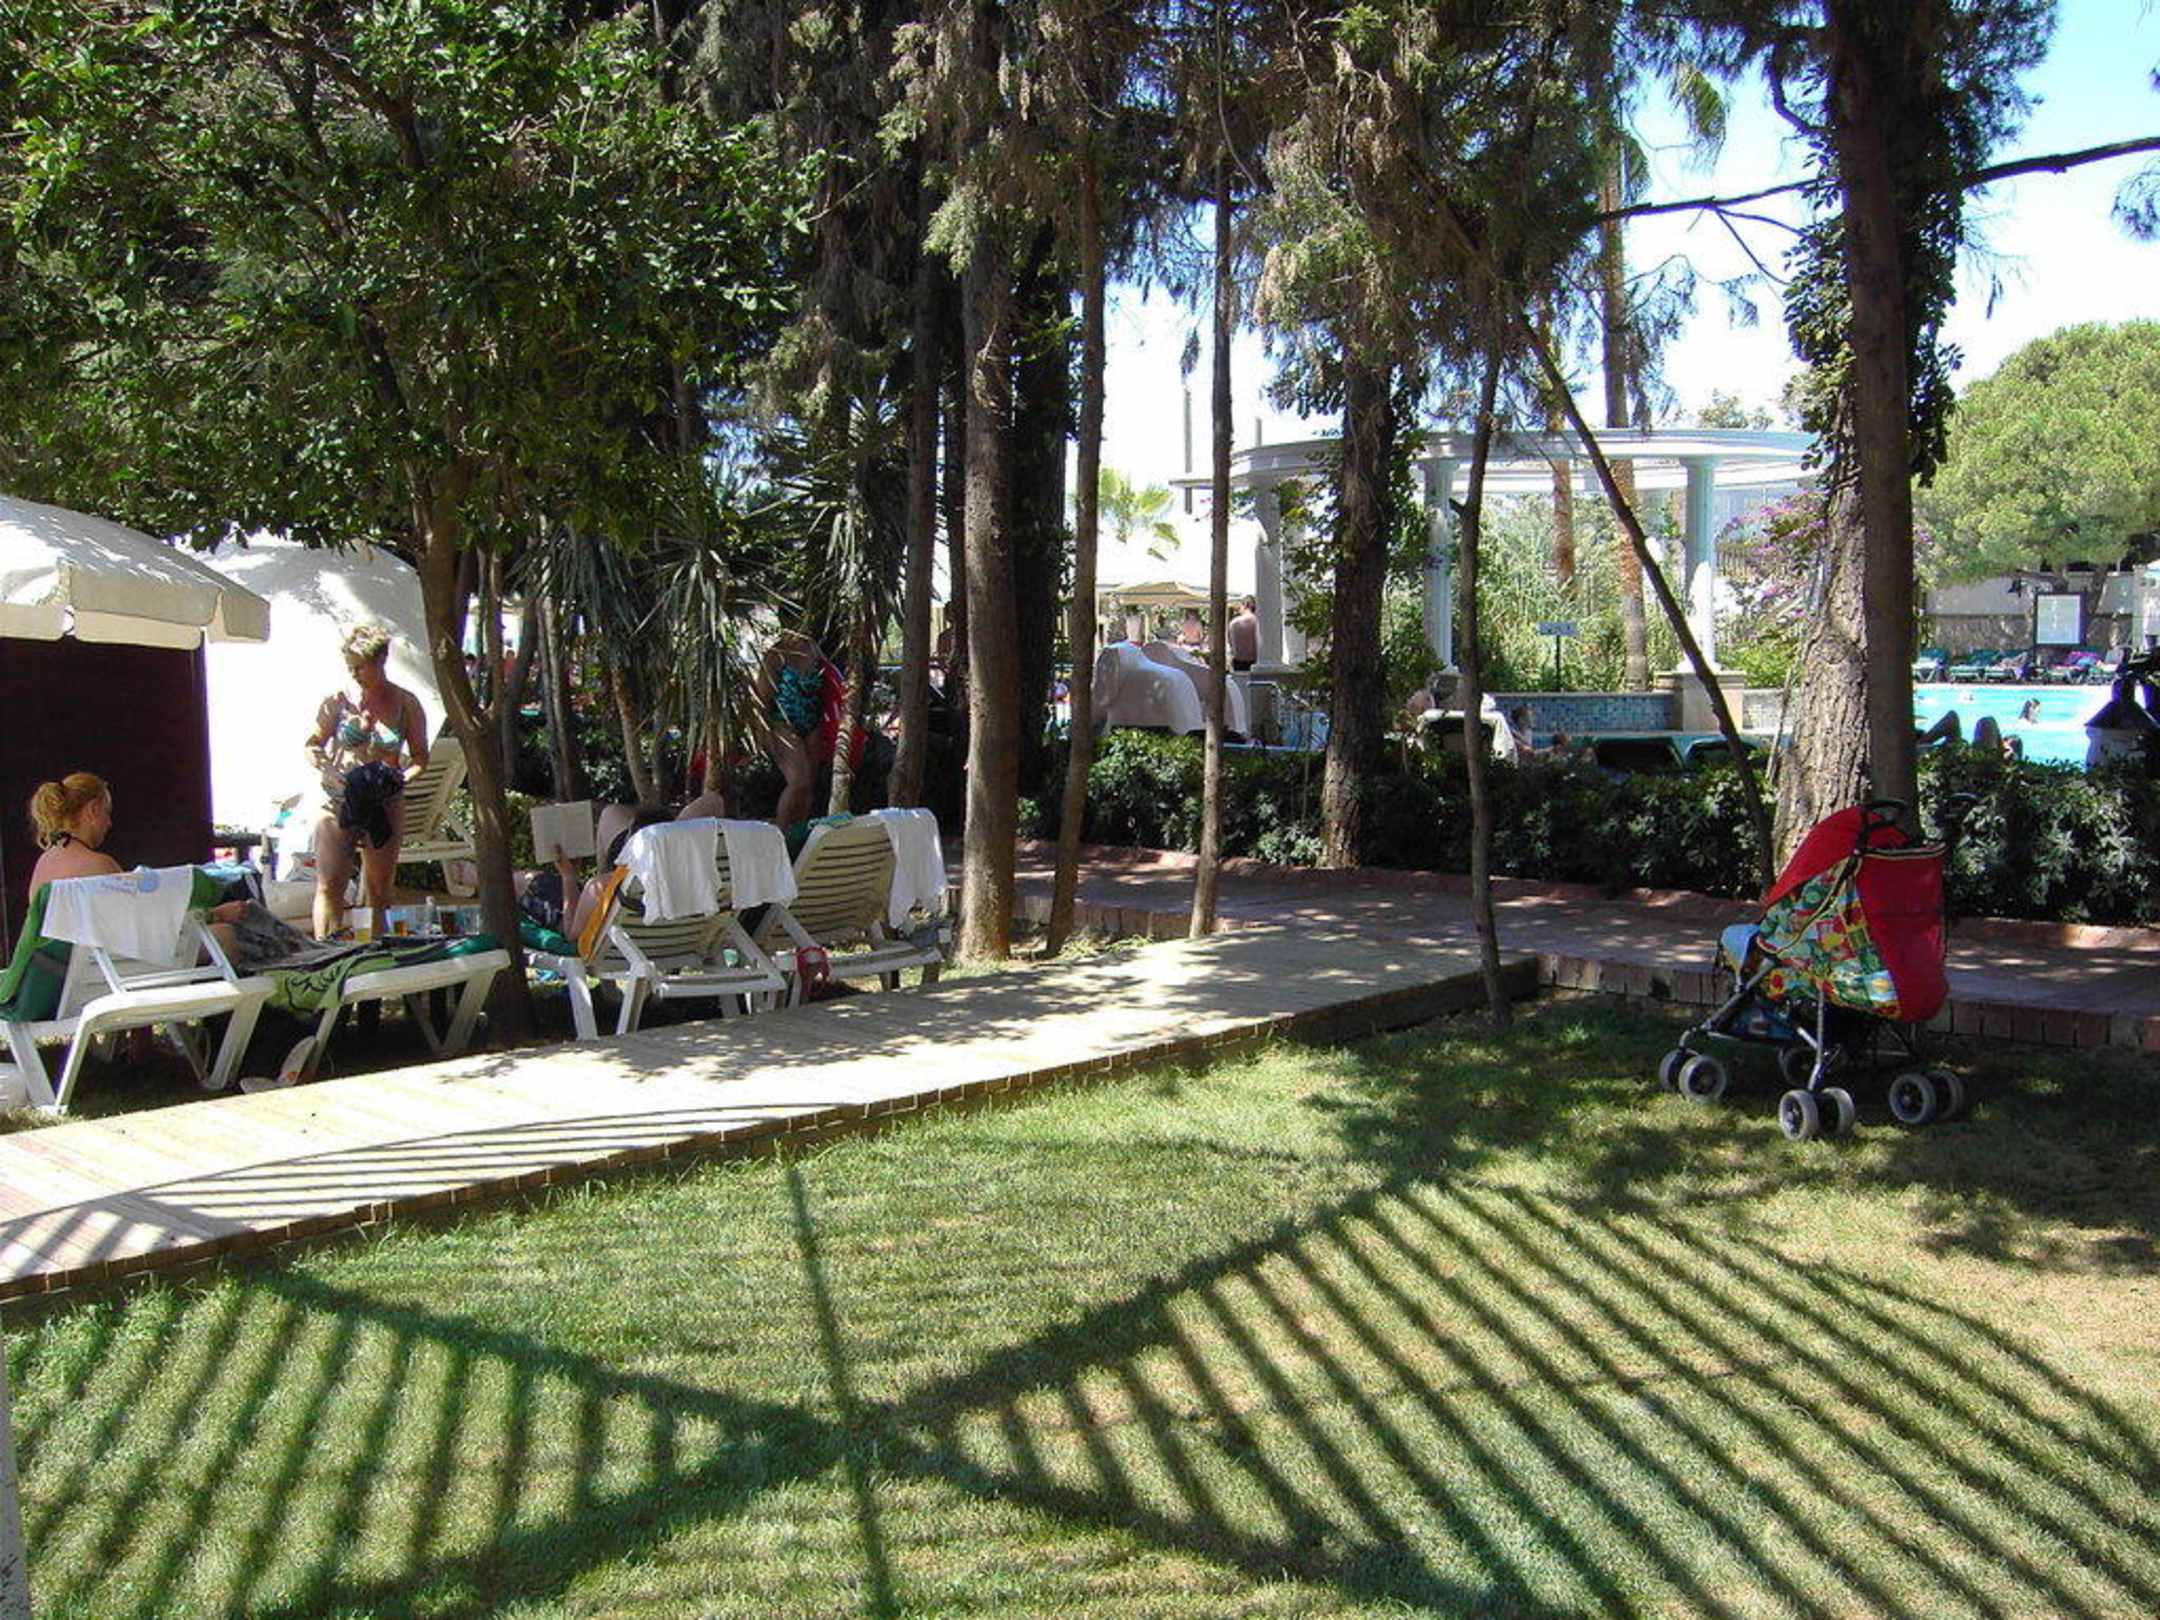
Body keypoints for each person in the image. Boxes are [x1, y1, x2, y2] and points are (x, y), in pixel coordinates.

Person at [306, 624, 430, 939]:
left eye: (360, 666)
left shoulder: (406, 703)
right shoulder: (338, 701)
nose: (355, 674)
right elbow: (312, 743)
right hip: (339, 797)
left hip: (383, 799)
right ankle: (327, 951)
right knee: (330, 884)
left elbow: (420, 757)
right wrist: (325, 767)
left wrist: (400, 778)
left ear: (381, 659)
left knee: (380, 889)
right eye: (351, 667)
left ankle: (378, 951)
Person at [1228, 597, 1260, 672]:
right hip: (1255, 661)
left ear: (1245, 605)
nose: (1239, 609)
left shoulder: (1234, 623)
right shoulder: (1258, 622)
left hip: (1238, 661)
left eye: (1240, 607)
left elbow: (1230, 643)